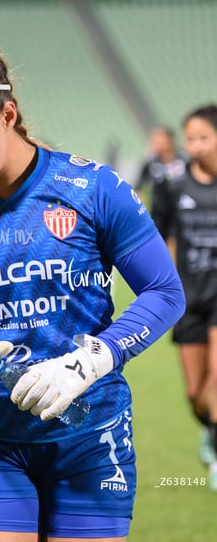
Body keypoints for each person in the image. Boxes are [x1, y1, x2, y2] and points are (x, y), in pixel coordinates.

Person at [0, 35, 185, 541]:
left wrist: (91, 360)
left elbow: (164, 292)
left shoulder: (96, 189)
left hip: (91, 436)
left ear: (7, 114)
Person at [151, 103, 217, 491]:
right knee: (196, 393)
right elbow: (158, 236)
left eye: (203, 138)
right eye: (189, 138)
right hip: (189, 299)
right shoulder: (173, 184)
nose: (194, 145)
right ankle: (208, 428)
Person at [135, 125, 186, 206]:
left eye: (161, 142)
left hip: (183, 208)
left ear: (170, 141)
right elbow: (139, 188)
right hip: (159, 211)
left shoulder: (184, 161)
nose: (156, 145)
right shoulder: (150, 164)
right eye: (155, 142)